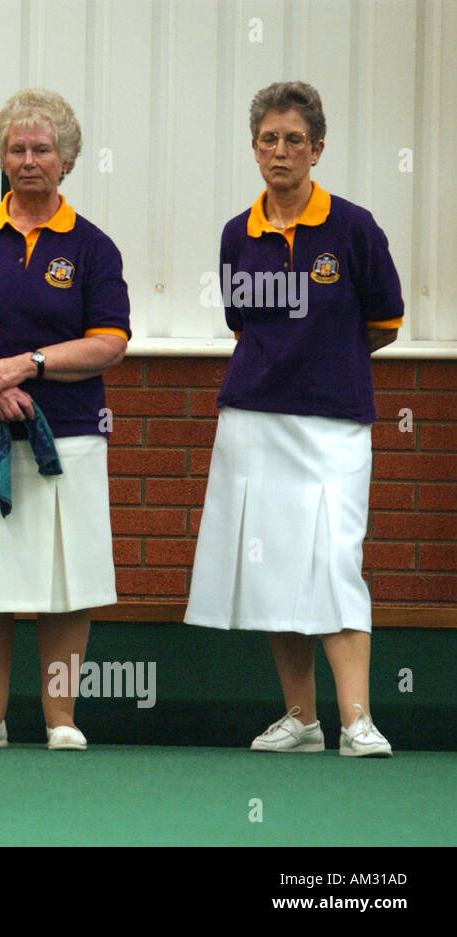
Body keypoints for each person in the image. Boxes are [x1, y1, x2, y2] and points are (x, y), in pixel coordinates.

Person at [185, 81, 403, 757]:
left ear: (318, 149)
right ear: (255, 149)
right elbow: (241, 323)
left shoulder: (355, 228)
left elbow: (385, 322)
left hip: (336, 424)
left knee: (336, 561)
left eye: (294, 140)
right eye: (269, 139)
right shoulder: (234, 235)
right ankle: (302, 718)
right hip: (252, 423)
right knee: (274, 566)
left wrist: (325, 362)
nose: (281, 151)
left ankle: (357, 719)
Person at [0, 89, 129, 751]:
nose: (29, 159)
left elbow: (109, 341)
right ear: (2, 157)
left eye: (42, 149)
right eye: (17, 148)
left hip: (65, 436)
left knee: (69, 581)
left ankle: (61, 717)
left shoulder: (93, 248)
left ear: (66, 160)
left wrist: (29, 364)